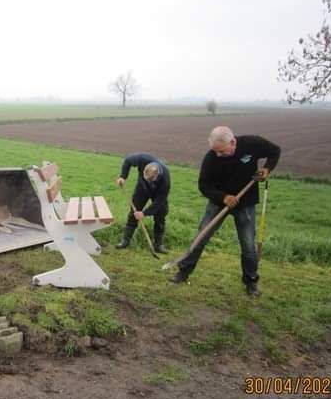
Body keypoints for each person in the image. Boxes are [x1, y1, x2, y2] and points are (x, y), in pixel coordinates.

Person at [170, 126, 280, 297]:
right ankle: (183, 272)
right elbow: (204, 186)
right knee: (202, 236)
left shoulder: (252, 144)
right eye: (215, 151)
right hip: (219, 202)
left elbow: (275, 151)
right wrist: (223, 197)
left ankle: (251, 282)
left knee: (248, 245)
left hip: (246, 202)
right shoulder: (211, 158)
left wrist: (267, 169)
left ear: (233, 142)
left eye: (222, 151)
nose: (218, 155)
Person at [115, 153, 170, 254]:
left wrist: (144, 213)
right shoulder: (142, 159)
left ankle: (158, 245)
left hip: (158, 193)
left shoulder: (165, 178)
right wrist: (123, 177)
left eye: (150, 180)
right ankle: (125, 241)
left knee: (161, 215)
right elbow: (127, 161)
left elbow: (159, 202)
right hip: (142, 189)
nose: (148, 181)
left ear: (157, 176)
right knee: (134, 212)